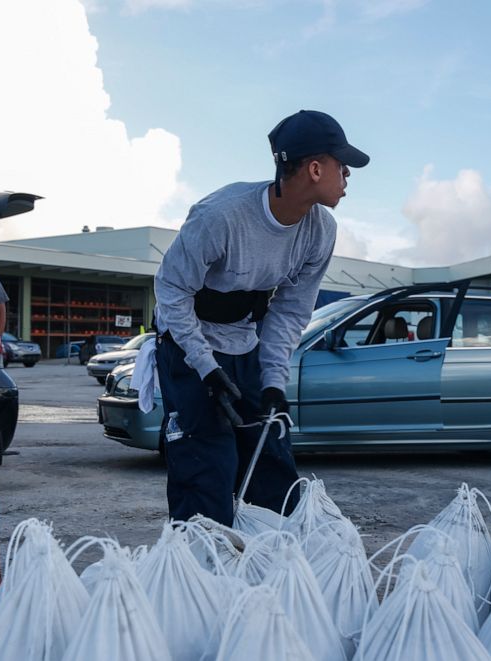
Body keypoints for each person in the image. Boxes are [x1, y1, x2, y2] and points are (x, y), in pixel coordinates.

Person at [153, 109, 369, 526]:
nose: (347, 175)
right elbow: (172, 292)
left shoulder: (320, 230)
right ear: (314, 167)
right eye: (342, 165)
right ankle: (203, 570)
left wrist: (272, 381)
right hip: (186, 346)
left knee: (271, 461)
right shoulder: (221, 216)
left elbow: (291, 311)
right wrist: (206, 369)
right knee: (207, 465)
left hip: (243, 344)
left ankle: (272, 570)